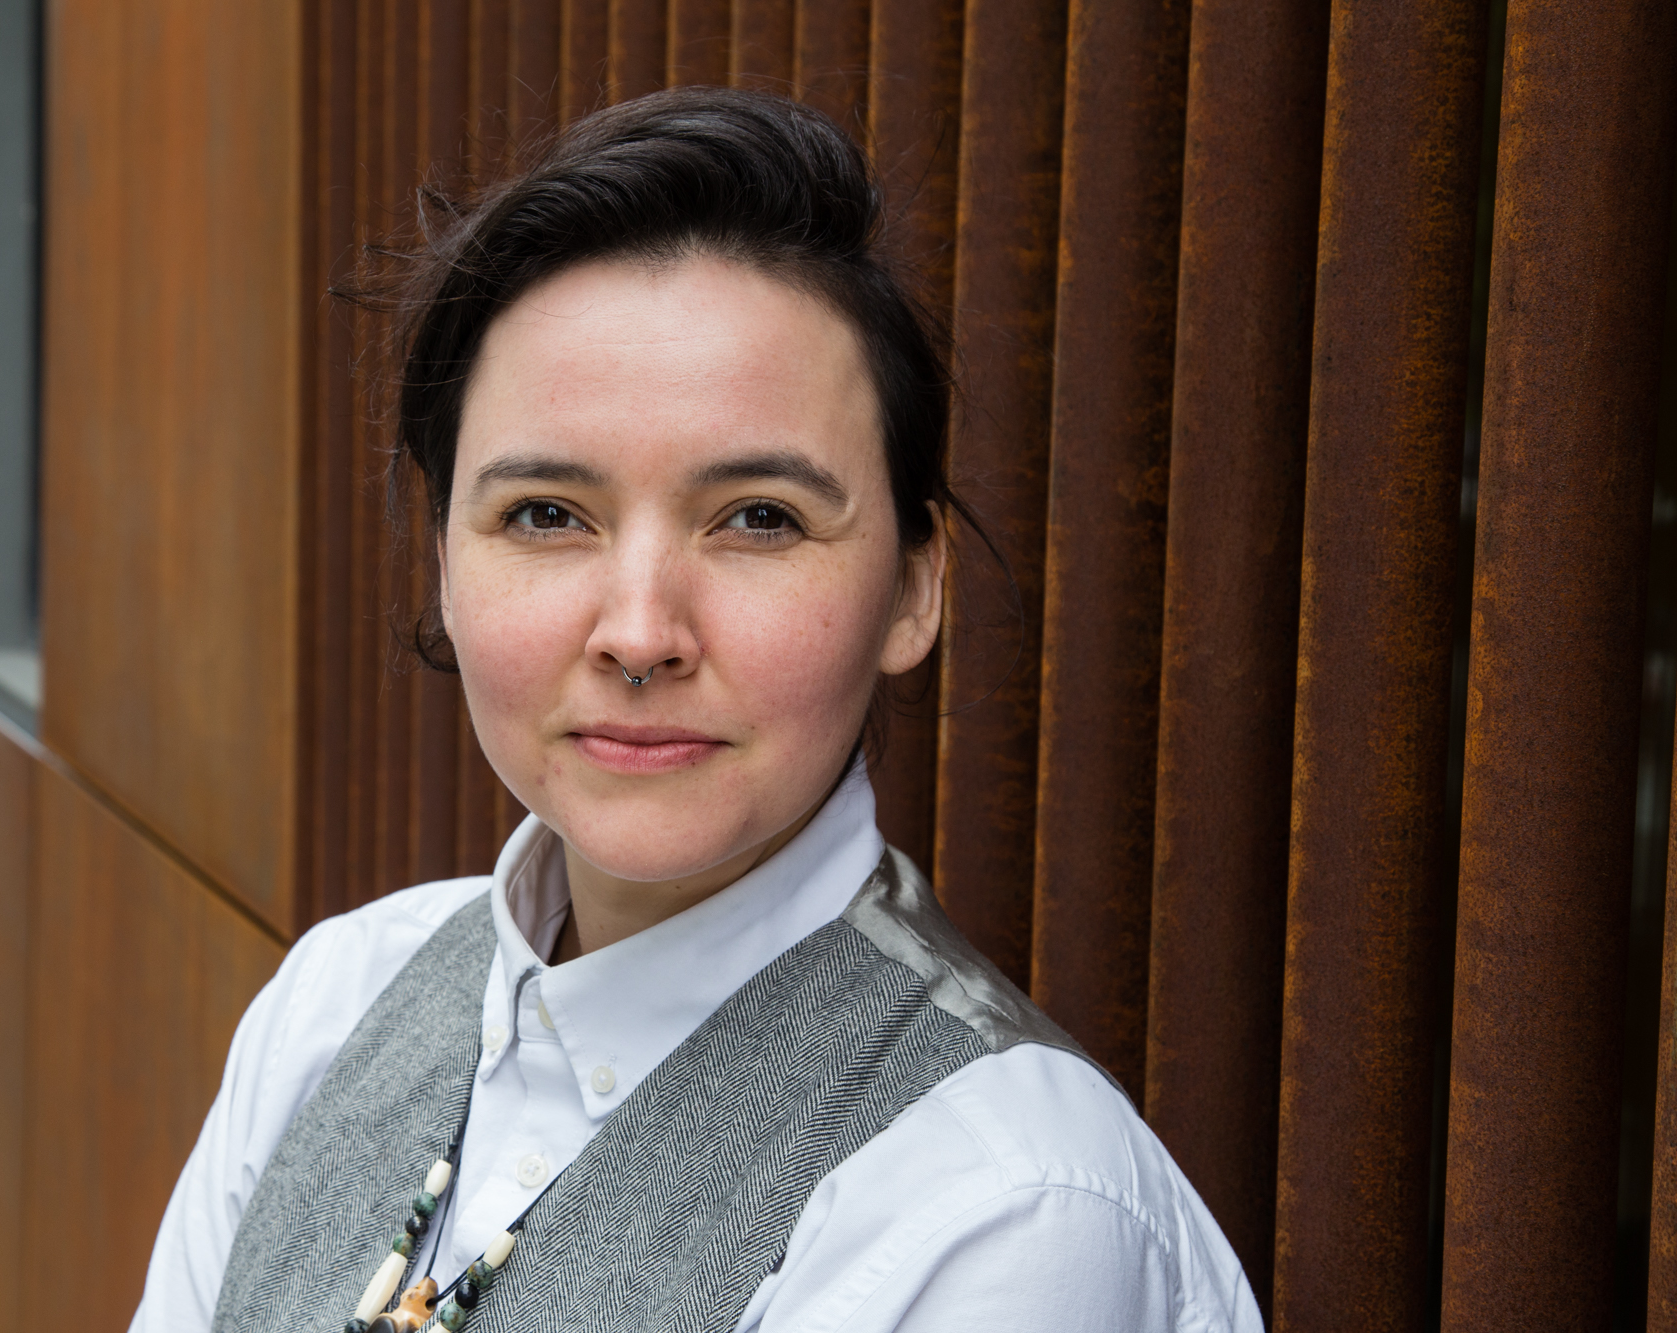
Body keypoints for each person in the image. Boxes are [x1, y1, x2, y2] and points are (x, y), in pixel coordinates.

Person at [131, 87, 1262, 1333]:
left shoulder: (1002, 1212)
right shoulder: (337, 1003)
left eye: (759, 518)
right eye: (545, 515)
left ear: (912, 587)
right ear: (443, 564)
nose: (637, 633)